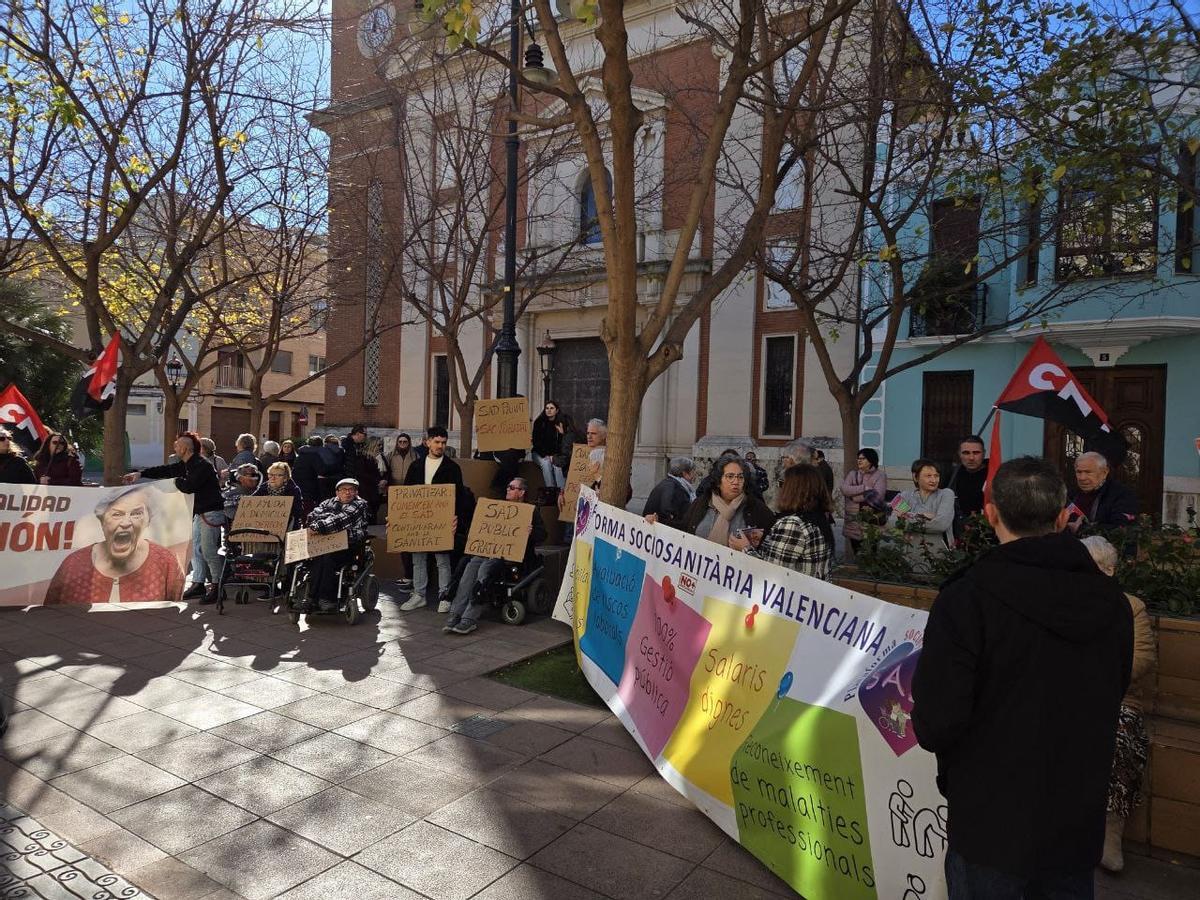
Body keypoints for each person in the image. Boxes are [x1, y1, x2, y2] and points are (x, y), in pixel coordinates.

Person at [912, 457, 1133, 899]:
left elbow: (937, 720)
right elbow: (1115, 687)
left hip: (990, 819)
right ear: (1063, 517)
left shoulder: (966, 598)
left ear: (990, 514)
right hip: (1074, 812)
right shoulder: (1111, 602)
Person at [1080, 535, 1156, 874]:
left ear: (1110, 571)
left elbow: (1141, 659)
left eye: (1097, 567)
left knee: (1120, 736)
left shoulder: (1131, 607)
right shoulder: (1063, 602)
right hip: (1067, 695)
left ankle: (1109, 833)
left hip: (1117, 699)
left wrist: (1095, 676)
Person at [126, 432, 225, 604]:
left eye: (177, 445)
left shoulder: (202, 465)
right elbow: (165, 470)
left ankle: (218, 586)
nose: (175, 447)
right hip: (200, 513)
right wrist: (140, 474)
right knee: (195, 550)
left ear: (185, 449)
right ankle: (198, 584)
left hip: (211, 513)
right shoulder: (186, 464)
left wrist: (175, 481)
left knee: (208, 550)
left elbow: (189, 486)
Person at [44, 486, 185, 604]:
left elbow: (172, 612)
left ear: (147, 521)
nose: (126, 523)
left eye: (136, 514)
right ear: (102, 521)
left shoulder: (166, 562)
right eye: (117, 514)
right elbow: (51, 613)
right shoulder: (73, 564)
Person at [443, 477, 546, 635]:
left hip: (510, 556)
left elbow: (543, 535)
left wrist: (532, 532)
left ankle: (469, 618)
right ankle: (456, 613)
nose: (508, 489)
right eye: (508, 486)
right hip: (488, 550)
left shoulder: (530, 511)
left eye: (512, 487)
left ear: (522, 492)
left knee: (485, 570)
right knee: (469, 568)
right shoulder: (498, 508)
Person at [732, 464, 834, 579]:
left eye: (781, 484)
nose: (779, 489)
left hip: (793, 589)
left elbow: (772, 573)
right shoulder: (818, 517)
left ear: (792, 490)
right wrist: (768, 540)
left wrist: (745, 548)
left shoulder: (793, 524)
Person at [401, 425, 463, 613]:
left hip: (442, 521)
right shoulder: (415, 466)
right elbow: (405, 495)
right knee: (418, 558)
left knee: (442, 560)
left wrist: (456, 517)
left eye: (443, 442)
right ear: (427, 442)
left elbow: (459, 496)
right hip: (418, 520)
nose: (440, 446)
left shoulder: (452, 468)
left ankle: (445, 596)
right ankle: (419, 595)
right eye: (436, 442)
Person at [303, 477, 371, 612]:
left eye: (351, 490)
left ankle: (327, 598)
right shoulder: (327, 502)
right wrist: (322, 524)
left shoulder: (359, 504)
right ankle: (311, 597)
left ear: (356, 492)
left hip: (349, 546)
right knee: (316, 558)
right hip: (325, 544)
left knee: (328, 558)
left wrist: (320, 525)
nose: (347, 492)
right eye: (344, 489)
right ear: (337, 492)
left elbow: (340, 521)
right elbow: (311, 516)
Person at [681, 454, 775, 546]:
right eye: (730, 476)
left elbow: (771, 547)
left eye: (740, 477)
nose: (736, 482)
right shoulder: (701, 503)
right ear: (718, 481)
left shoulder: (757, 509)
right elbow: (683, 535)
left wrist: (748, 548)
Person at [891, 458, 956, 569]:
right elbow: (892, 522)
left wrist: (907, 516)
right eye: (928, 476)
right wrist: (923, 516)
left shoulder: (946, 494)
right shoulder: (904, 496)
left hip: (938, 556)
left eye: (936, 476)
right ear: (915, 477)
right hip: (908, 556)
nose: (933, 480)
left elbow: (941, 524)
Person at [1068, 450, 1139, 529]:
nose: (1082, 478)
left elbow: (1122, 528)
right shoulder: (1070, 494)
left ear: (1104, 472)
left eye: (1088, 472)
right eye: (1079, 472)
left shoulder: (1122, 495)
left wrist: (1083, 528)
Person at [840, 447, 887, 554]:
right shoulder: (853, 474)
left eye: (863, 458)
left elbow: (878, 496)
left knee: (871, 553)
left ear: (871, 460)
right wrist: (864, 488)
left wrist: (854, 497)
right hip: (853, 521)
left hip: (871, 521)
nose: (859, 460)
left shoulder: (880, 475)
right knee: (857, 552)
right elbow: (844, 489)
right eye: (858, 458)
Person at [643, 457, 697, 529]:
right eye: (693, 472)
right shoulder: (677, 489)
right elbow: (671, 515)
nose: (695, 475)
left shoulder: (668, 483)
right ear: (685, 473)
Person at [946, 436, 987, 529]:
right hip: (958, 530)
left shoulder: (994, 474)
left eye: (976, 453)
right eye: (966, 453)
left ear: (984, 453)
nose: (971, 458)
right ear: (959, 454)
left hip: (987, 529)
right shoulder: (953, 475)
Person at [254, 462, 305, 531]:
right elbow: (252, 501)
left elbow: (298, 512)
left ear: (285, 478)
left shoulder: (293, 490)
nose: (273, 478)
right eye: (271, 474)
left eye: (278, 475)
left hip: (287, 528)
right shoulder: (263, 488)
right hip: (264, 527)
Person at [532, 401, 566, 489]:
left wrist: (561, 434)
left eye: (551, 408)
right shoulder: (539, 422)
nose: (549, 410)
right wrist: (546, 455)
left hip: (555, 454)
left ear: (557, 410)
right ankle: (551, 490)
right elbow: (536, 443)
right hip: (539, 453)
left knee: (557, 465)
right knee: (546, 463)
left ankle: (561, 492)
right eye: (547, 408)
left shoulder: (560, 423)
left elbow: (563, 445)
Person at [292, 435, 328, 513]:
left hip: (299, 483)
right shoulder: (316, 455)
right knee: (310, 508)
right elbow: (321, 470)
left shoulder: (301, 454)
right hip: (311, 484)